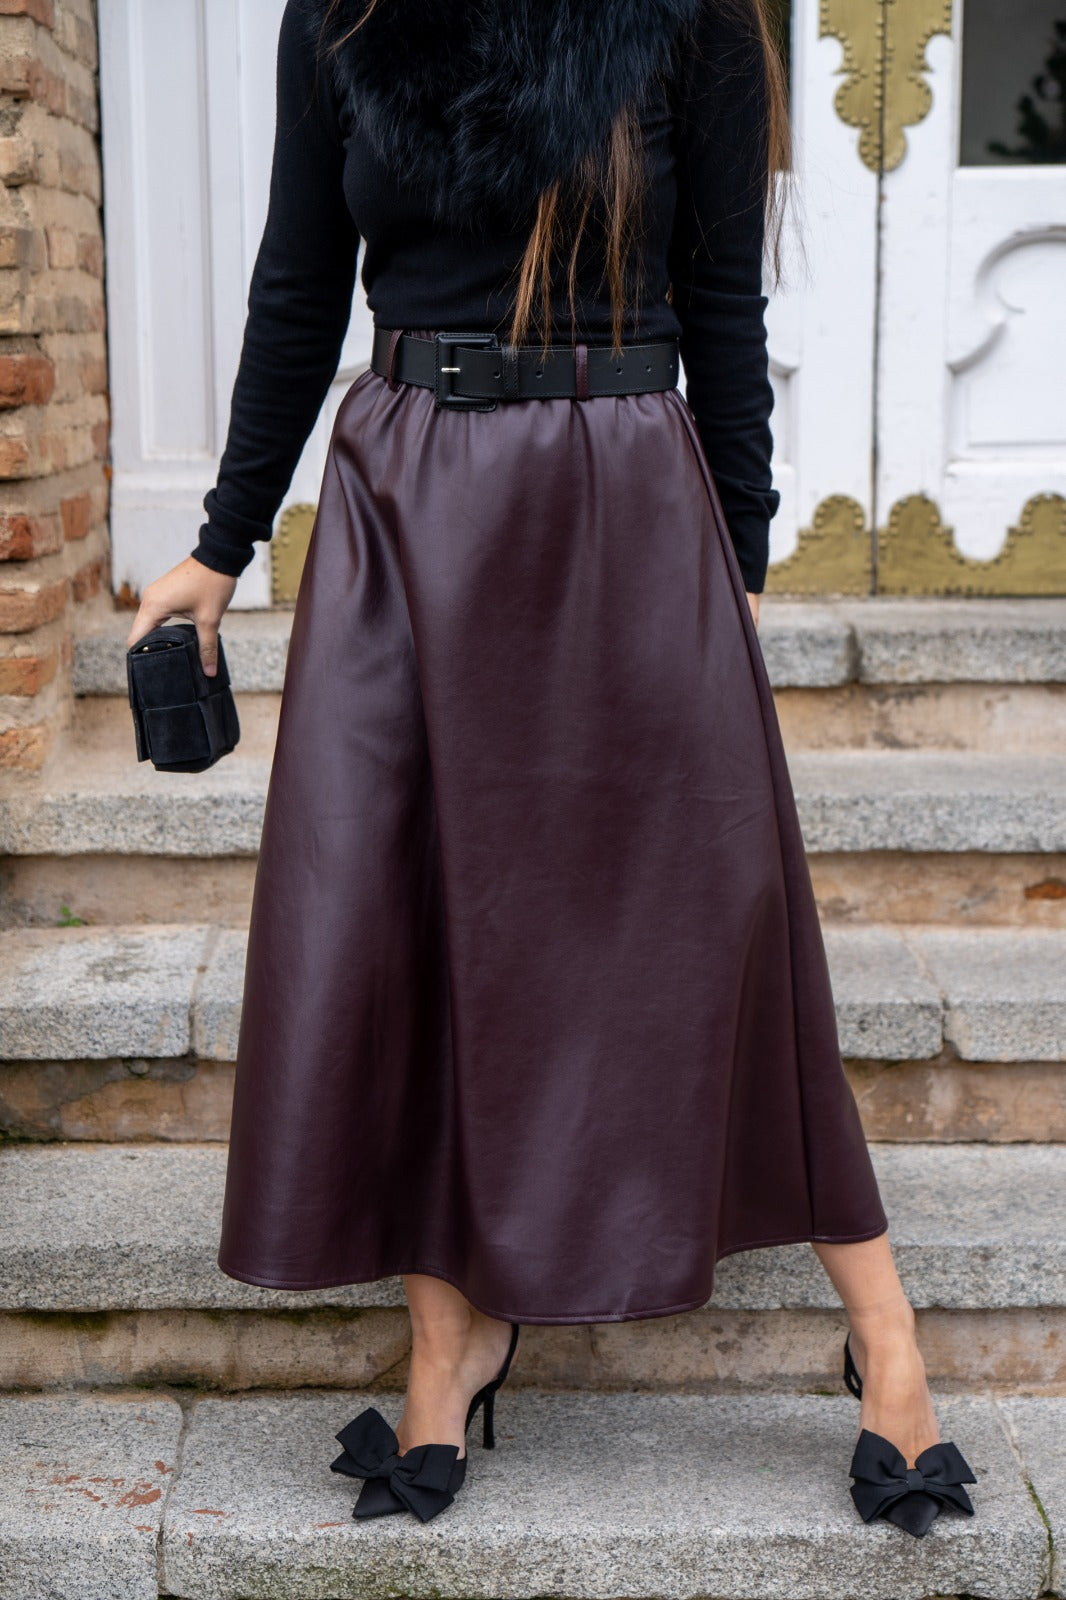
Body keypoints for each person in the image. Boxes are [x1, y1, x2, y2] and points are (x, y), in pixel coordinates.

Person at [126, 0, 976, 1536]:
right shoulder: (345, 14)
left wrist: (738, 565)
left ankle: (885, 1329)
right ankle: (448, 1344)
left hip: (622, 501)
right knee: (396, 920)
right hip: (402, 508)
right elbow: (298, 279)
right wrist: (223, 541)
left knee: (718, 921)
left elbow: (719, 303)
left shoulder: (687, 18)